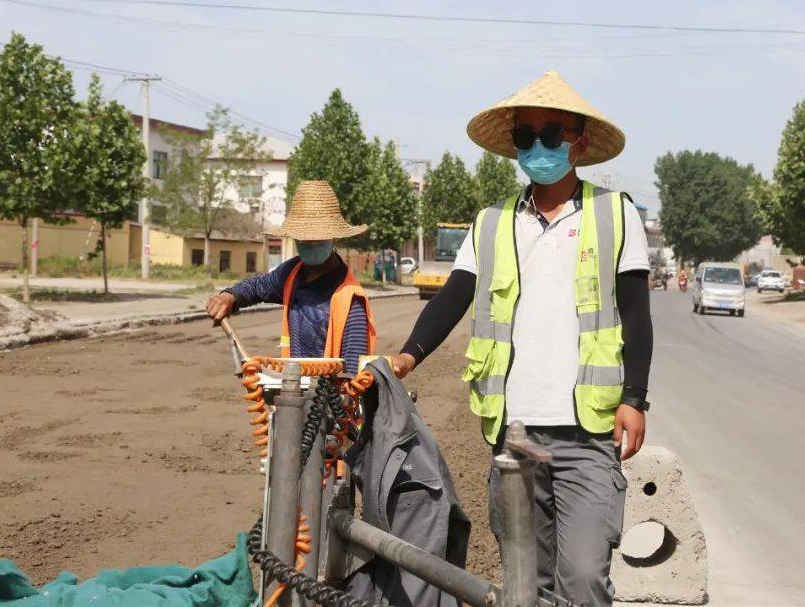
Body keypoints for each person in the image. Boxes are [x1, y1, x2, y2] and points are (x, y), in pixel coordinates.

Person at [389, 71, 653, 606]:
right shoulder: (491, 222)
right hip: (514, 434)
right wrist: (408, 355)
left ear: (577, 141)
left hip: (586, 434)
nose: (538, 147)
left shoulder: (614, 214)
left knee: (582, 579)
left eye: (550, 135)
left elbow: (636, 315)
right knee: (524, 584)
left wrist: (635, 398)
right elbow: (453, 296)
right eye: (525, 137)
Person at [205, 180, 375, 372]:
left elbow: (355, 376)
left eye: (317, 239)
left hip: (330, 398)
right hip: (292, 388)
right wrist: (229, 297)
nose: (310, 243)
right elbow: (257, 287)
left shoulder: (351, 300)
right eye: (303, 239)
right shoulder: (291, 273)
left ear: (333, 238)